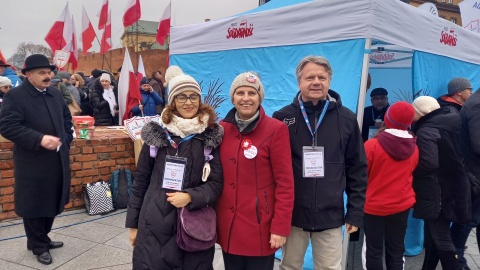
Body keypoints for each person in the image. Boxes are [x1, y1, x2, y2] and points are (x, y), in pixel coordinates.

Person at [273, 55, 367, 270]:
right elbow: (274, 170)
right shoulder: (282, 118)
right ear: (299, 83)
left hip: (330, 215)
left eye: (321, 77)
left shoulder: (346, 118)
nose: (316, 82)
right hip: (293, 214)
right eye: (310, 77)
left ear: (329, 81)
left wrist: (355, 211)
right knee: (289, 267)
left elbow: (358, 168)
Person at [125, 66, 223, 269]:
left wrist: (191, 196)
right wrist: (133, 224)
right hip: (154, 224)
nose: (188, 102)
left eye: (193, 97)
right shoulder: (158, 134)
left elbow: (216, 183)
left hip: (194, 224)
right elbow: (141, 180)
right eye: (181, 97)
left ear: (200, 100)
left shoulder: (210, 136)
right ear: (173, 101)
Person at [216, 72, 294, 270]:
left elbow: (285, 183)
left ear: (260, 97)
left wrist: (280, 227)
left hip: (261, 226)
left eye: (252, 93)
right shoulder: (221, 129)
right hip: (229, 227)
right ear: (232, 98)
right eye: (240, 92)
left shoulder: (276, 129)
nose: (245, 98)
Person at [0, 54, 73, 265]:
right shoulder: (16, 96)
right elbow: (8, 127)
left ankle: (42, 238)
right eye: (42, 73)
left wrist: (65, 139)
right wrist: (40, 139)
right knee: (34, 203)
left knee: (51, 200)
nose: (47, 76)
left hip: (57, 158)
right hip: (32, 161)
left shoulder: (54, 94)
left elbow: (67, 119)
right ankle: (38, 245)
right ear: (28, 75)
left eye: (49, 72)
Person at [411, 96, 472, 270]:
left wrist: (410, 168)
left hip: (437, 191)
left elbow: (429, 163)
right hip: (455, 186)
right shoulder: (450, 121)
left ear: (422, 112)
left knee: (441, 237)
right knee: (433, 235)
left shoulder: (426, 130)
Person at [363, 101, 419, 270]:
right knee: (396, 250)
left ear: (387, 118)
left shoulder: (371, 145)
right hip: (402, 204)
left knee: (373, 251)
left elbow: (362, 174)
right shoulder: (414, 147)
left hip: (374, 205)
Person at [451, 87, 480, 270]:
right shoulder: (477, 106)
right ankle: (457, 262)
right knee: (467, 221)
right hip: (475, 176)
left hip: (474, 175)